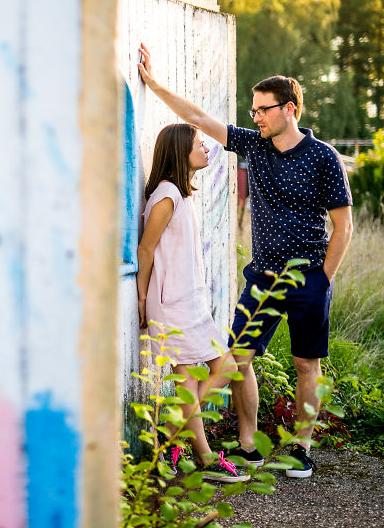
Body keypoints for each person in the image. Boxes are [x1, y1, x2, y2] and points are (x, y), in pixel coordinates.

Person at [137, 43, 353, 478]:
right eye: (253, 110)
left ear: (289, 109)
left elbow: (343, 226)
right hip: (262, 279)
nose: (255, 117)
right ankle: (248, 445)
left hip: (309, 278)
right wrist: (155, 84)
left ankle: (301, 448)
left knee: (306, 364)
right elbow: (198, 118)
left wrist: (322, 280)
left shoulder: (324, 158)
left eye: (262, 109)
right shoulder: (255, 146)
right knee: (237, 358)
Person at [137, 123, 246, 483]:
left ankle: (169, 440)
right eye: (200, 144)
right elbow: (145, 249)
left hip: (192, 302)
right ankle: (206, 457)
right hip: (171, 302)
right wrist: (142, 298)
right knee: (188, 379)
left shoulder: (182, 195)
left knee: (225, 366)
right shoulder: (167, 196)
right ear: (180, 151)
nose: (206, 149)